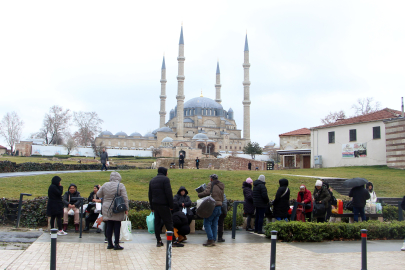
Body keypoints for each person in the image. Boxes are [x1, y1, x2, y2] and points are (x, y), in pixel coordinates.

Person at [149, 167, 184, 247]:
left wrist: (152, 207)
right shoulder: (165, 179)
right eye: (167, 172)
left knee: (157, 223)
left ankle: (158, 241)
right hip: (163, 205)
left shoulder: (152, 180)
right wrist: (171, 205)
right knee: (169, 223)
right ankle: (173, 241)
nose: (167, 173)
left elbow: (150, 194)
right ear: (164, 172)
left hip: (155, 205)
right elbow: (168, 193)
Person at [97, 172, 129, 250]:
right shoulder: (120, 185)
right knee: (117, 226)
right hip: (117, 207)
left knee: (109, 225)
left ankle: (109, 243)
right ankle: (116, 244)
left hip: (106, 207)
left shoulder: (105, 185)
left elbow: (98, 195)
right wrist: (126, 209)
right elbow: (125, 198)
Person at [198, 174, 224, 247]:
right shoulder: (221, 185)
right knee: (214, 224)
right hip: (219, 206)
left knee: (206, 222)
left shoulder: (211, 184)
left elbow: (207, 192)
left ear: (211, 179)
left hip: (213, 206)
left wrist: (199, 194)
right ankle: (213, 240)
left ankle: (210, 239)